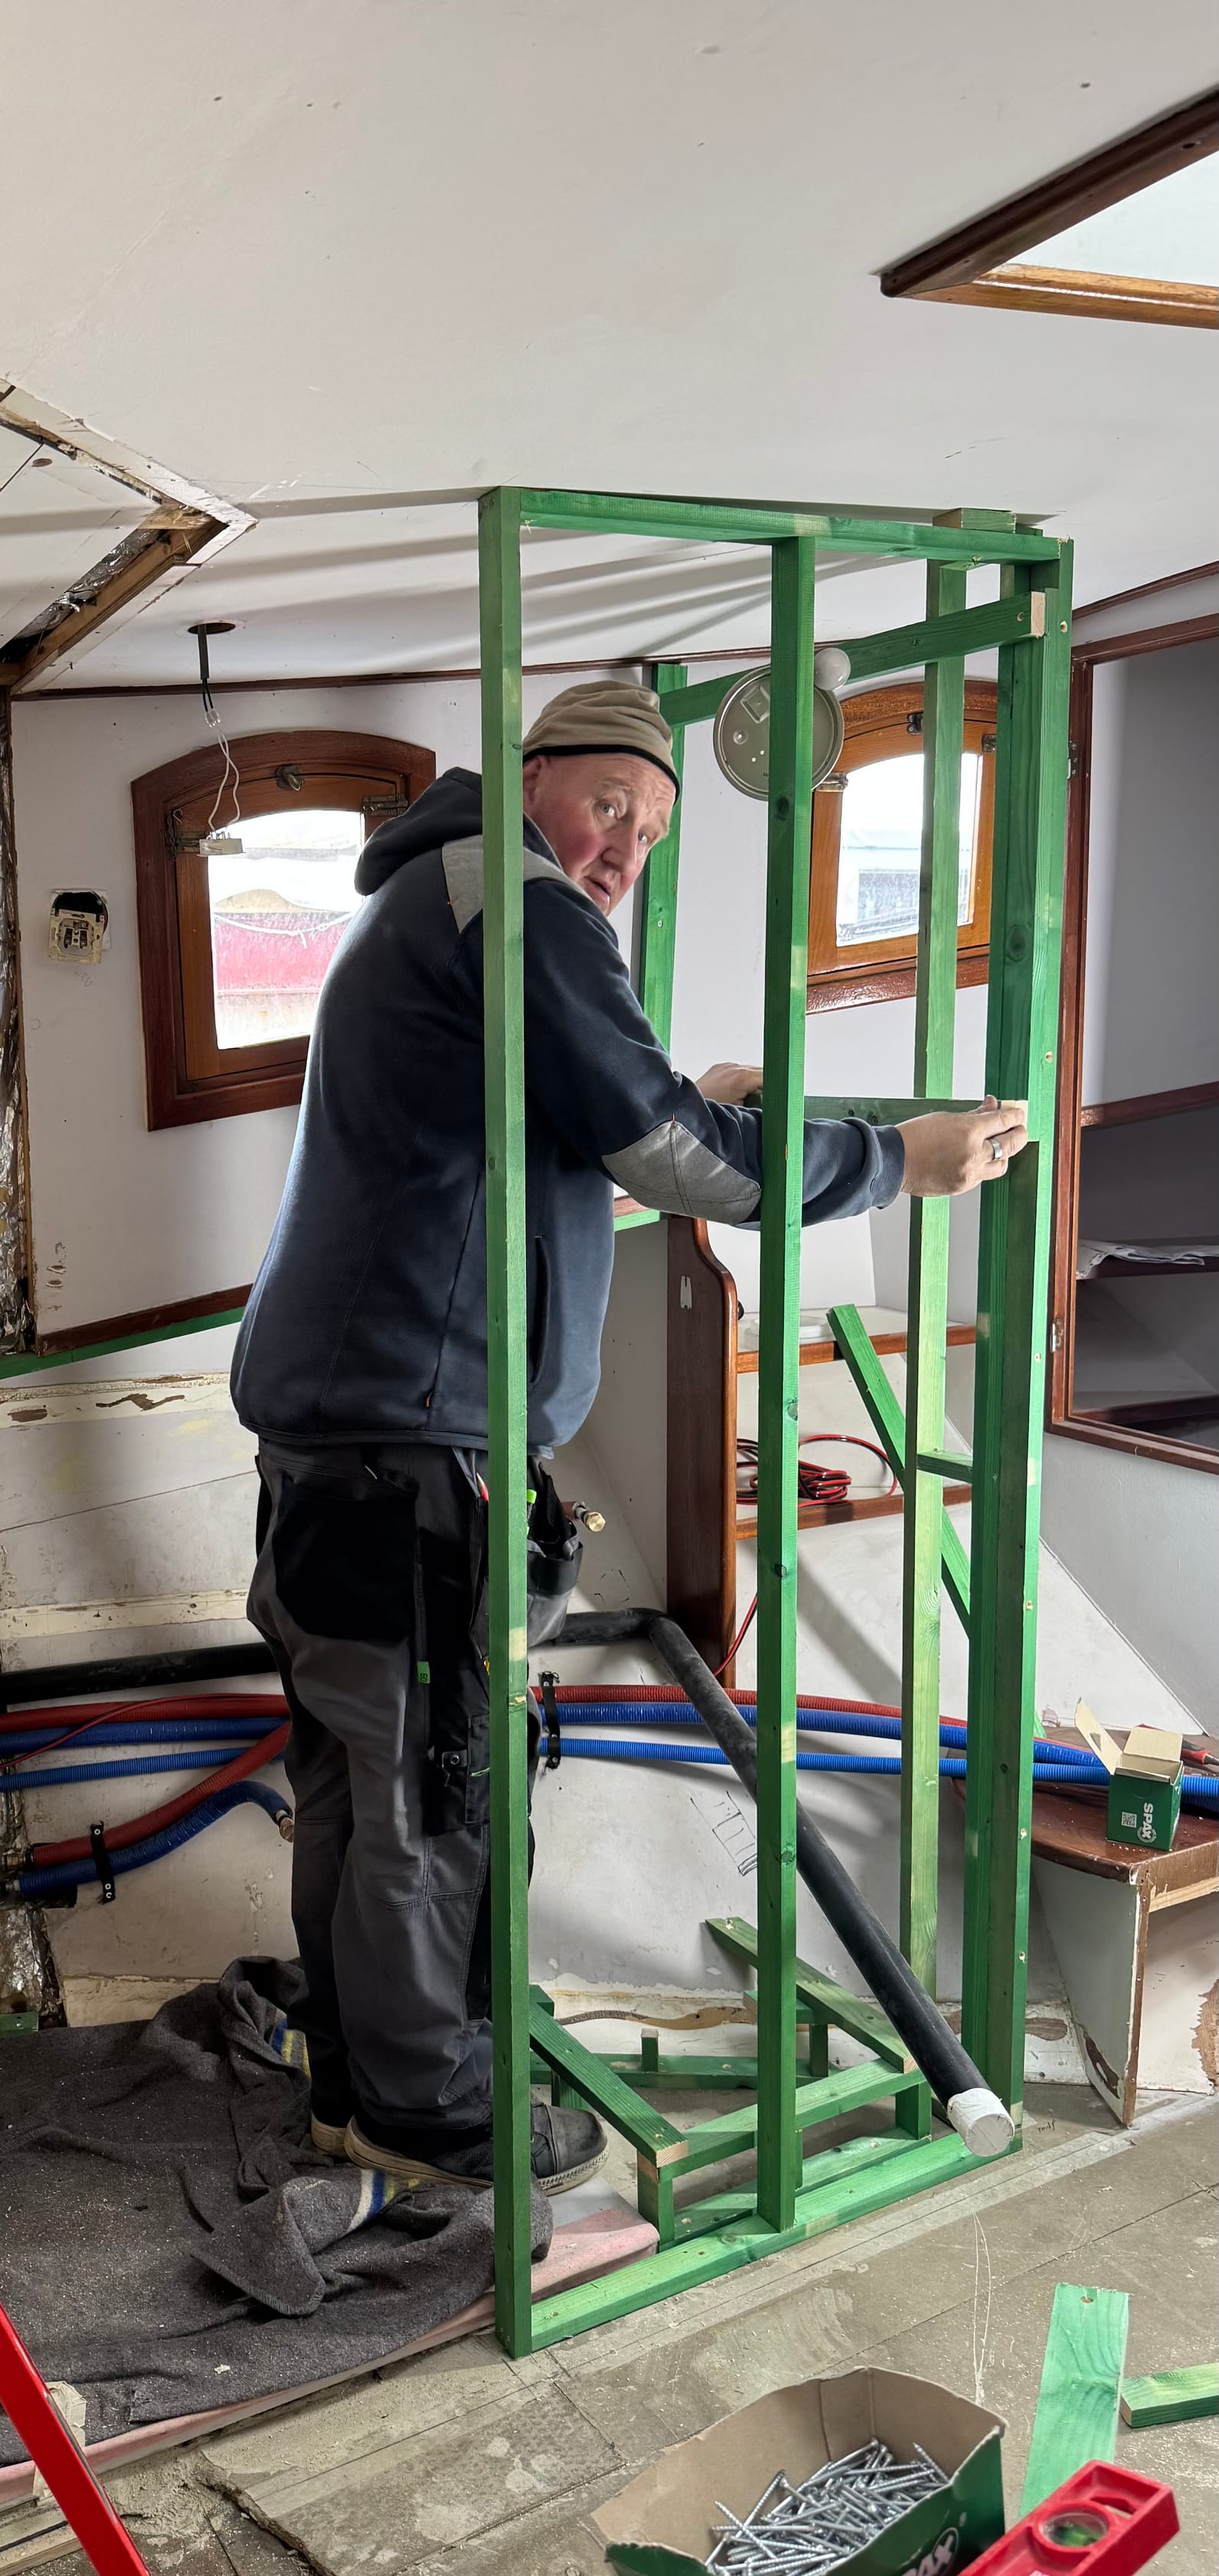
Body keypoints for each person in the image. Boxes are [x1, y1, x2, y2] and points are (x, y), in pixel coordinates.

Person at [230, 679, 1027, 2194]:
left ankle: (356, 2078)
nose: (624, 851)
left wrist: (690, 1096)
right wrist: (893, 1161)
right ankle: (427, 2117)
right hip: (415, 1442)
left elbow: (552, 1134)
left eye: (652, 832)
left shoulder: (436, 892)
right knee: (435, 1798)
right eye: (609, 807)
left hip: (349, 1436)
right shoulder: (514, 898)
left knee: (359, 1782)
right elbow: (666, 1154)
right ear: (534, 778)